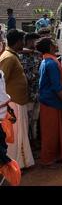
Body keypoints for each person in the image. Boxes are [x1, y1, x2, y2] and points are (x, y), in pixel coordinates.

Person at [0, 29, 35, 170]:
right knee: (14, 137)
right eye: (23, 40)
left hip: (18, 102)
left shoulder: (12, 55)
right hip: (12, 104)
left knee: (21, 134)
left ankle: (21, 163)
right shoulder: (8, 57)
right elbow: (2, 82)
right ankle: (15, 165)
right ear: (18, 41)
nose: (24, 43)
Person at [37, 37, 62, 167]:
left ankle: (57, 155)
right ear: (50, 47)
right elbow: (57, 88)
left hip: (51, 101)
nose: (55, 45)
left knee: (56, 131)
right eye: (53, 43)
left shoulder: (46, 61)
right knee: (51, 132)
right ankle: (48, 159)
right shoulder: (51, 63)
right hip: (52, 102)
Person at [19, 32, 42, 150]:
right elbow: (25, 76)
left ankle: (34, 141)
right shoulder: (21, 56)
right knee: (27, 121)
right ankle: (28, 145)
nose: (35, 43)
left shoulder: (38, 55)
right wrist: (36, 73)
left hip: (37, 93)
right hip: (28, 94)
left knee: (35, 120)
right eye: (33, 41)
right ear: (27, 41)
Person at [0, 69, 21, 186]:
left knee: (2, 152)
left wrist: (8, 110)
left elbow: (3, 94)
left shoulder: (0, 73)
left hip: (2, 120)